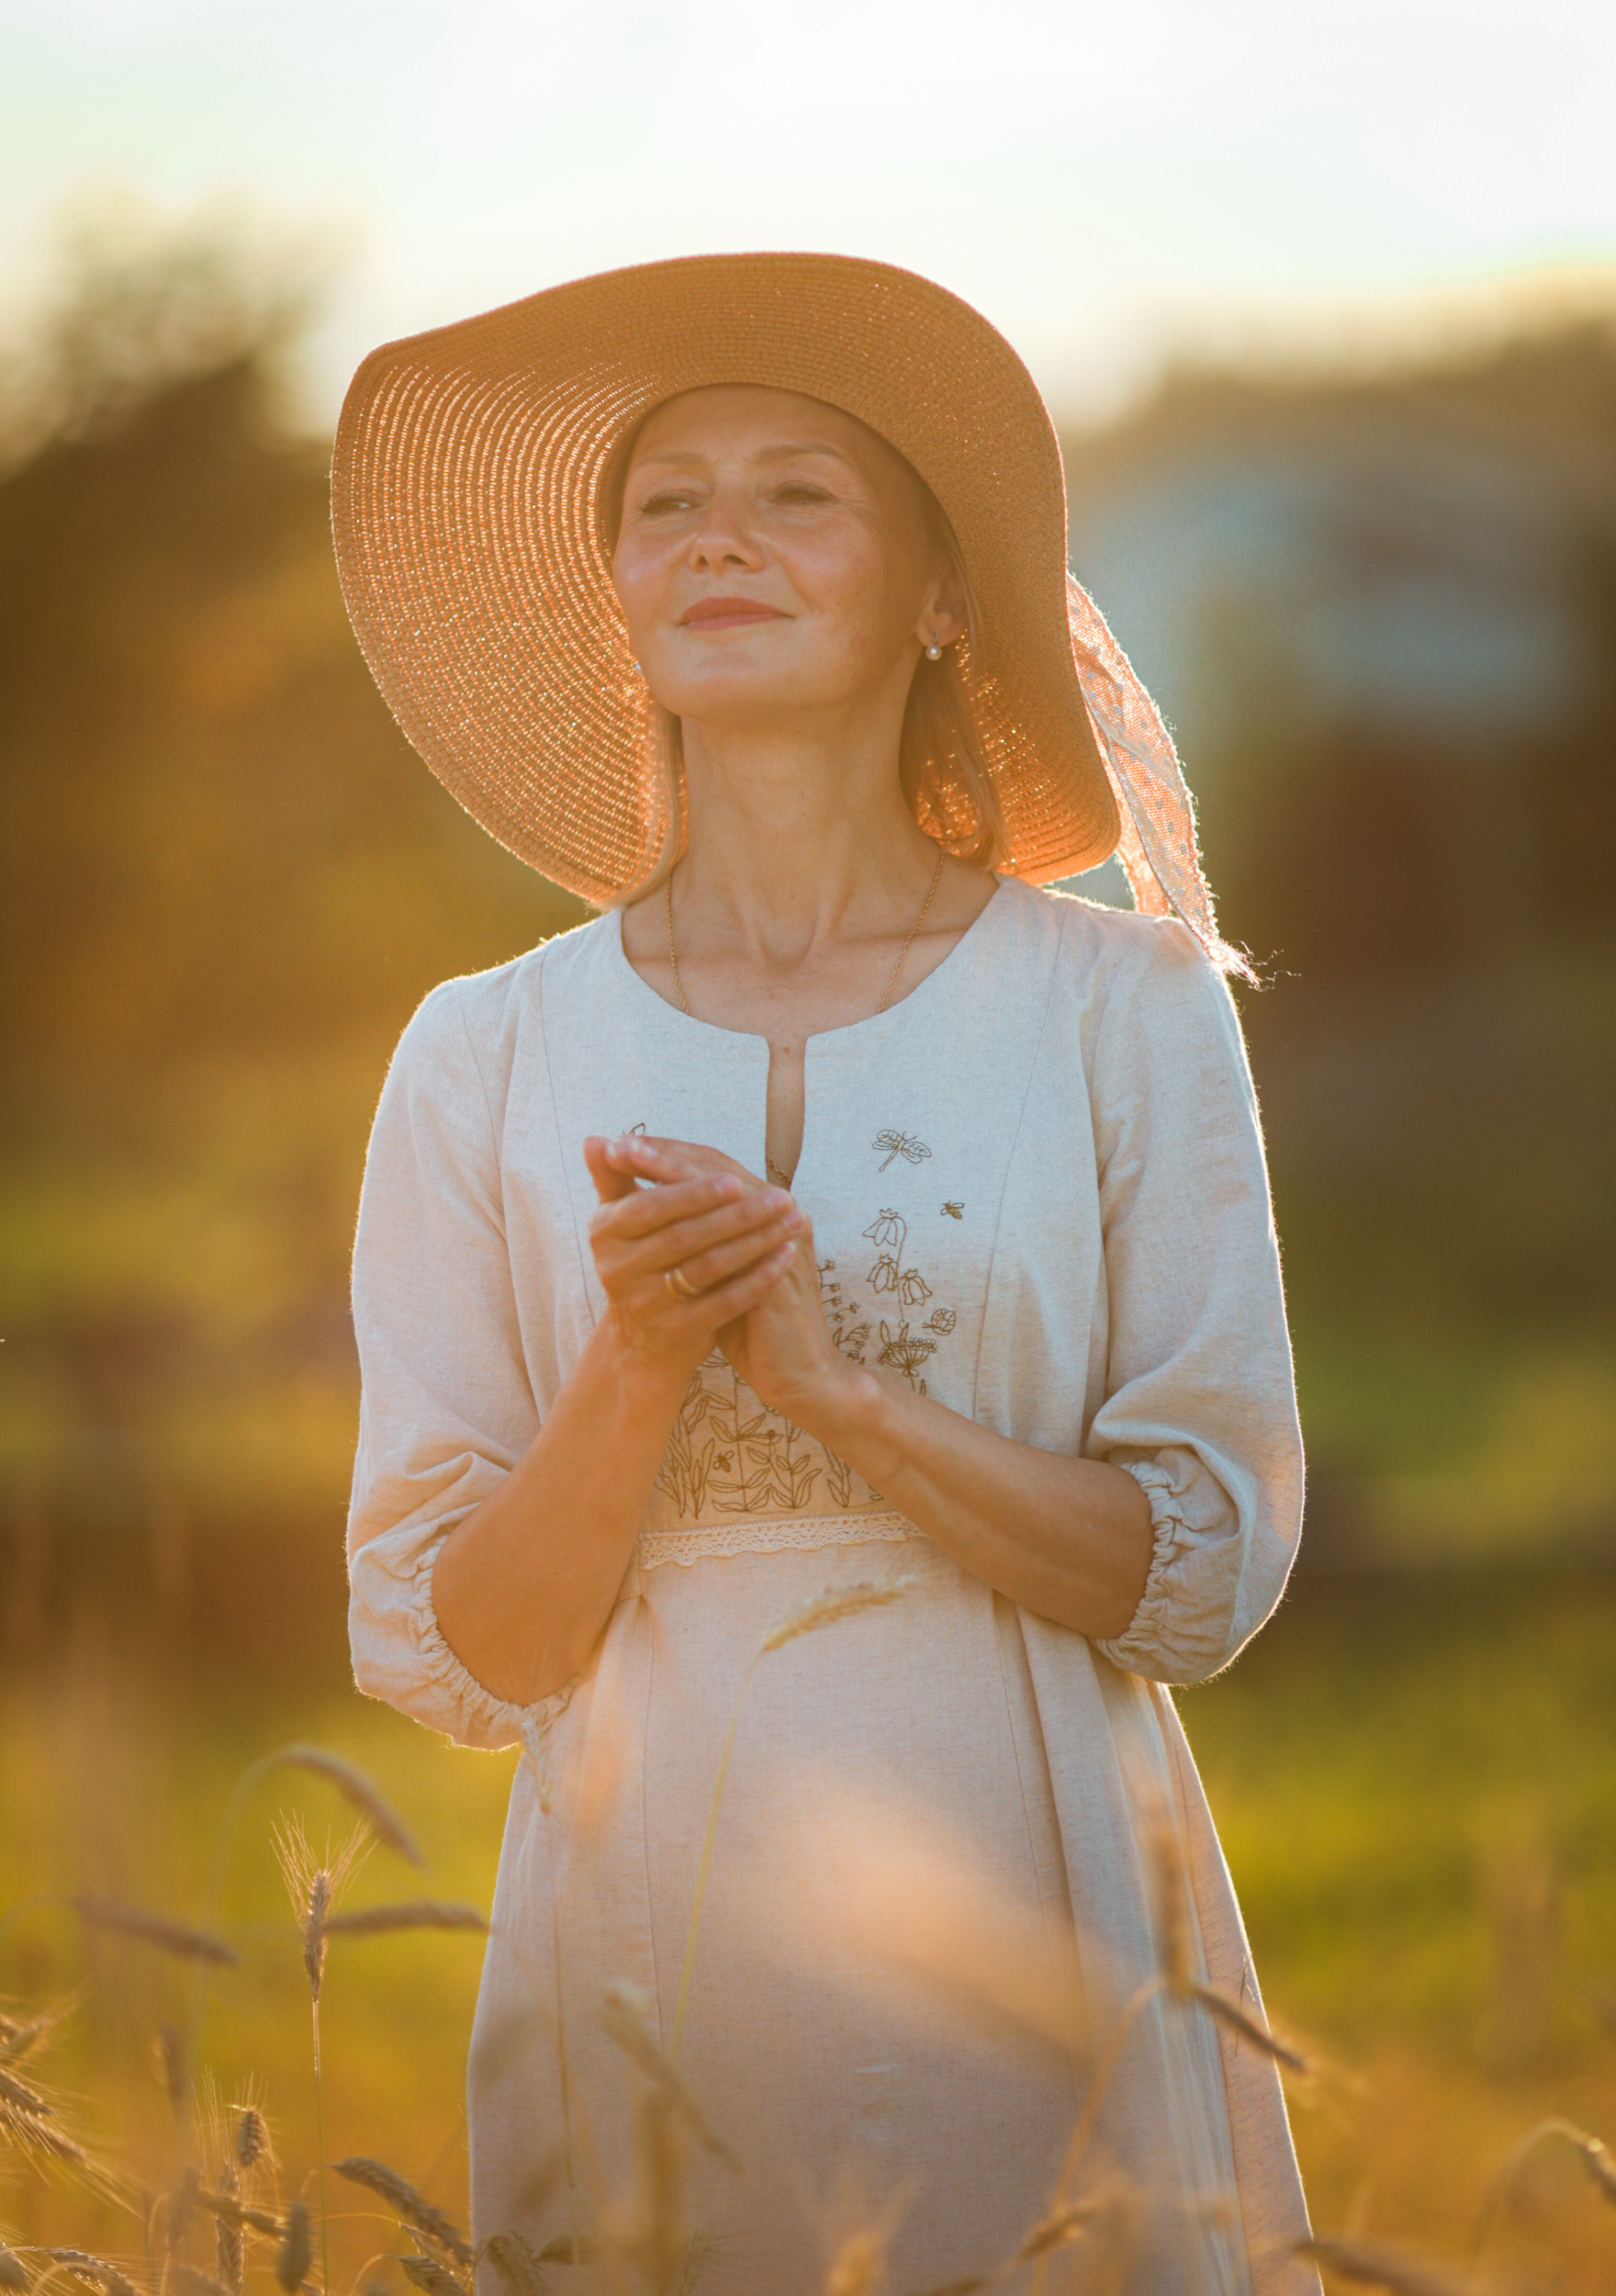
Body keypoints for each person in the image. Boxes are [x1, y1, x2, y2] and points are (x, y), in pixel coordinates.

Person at [336, 253, 1314, 2296]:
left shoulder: (1119, 1007)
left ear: (940, 590)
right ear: (618, 590)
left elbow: (1194, 1575)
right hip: (643, 1938)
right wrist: (639, 1357)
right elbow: (474, 1653)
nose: (719, 539)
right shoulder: (480, 1049)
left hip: (1034, 1903)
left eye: (798, 493)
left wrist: (838, 1390)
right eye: (666, 503)